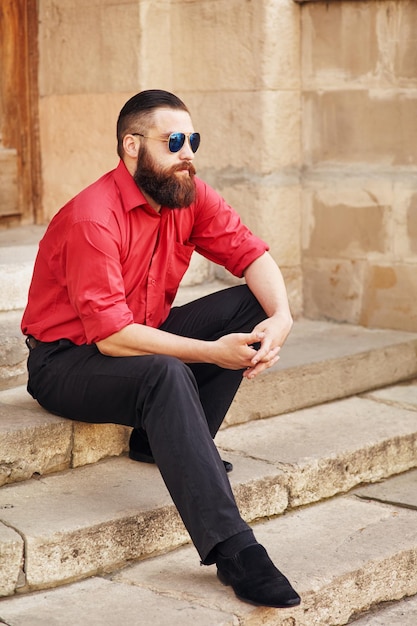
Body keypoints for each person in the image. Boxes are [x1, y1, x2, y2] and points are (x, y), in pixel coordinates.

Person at [21, 89, 301, 609]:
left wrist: (281, 317)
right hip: (66, 360)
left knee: (248, 304)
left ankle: (157, 441)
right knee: (165, 373)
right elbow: (111, 336)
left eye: (192, 139)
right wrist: (212, 353)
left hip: (138, 336)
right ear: (132, 145)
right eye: (174, 141)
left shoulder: (187, 194)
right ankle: (234, 551)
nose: (188, 152)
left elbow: (250, 252)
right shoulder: (92, 216)